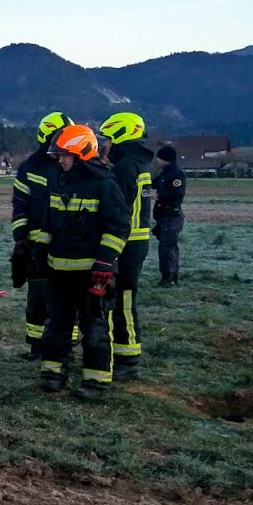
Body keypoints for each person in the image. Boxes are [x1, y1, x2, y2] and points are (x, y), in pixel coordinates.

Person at [34, 125, 130, 401]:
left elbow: (118, 228)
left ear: (82, 154)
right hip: (59, 272)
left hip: (91, 274)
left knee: (95, 327)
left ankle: (96, 381)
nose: (60, 160)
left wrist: (104, 265)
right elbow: (49, 222)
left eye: (65, 155)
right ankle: (52, 373)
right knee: (57, 325)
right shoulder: (60, 182)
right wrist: (38, 252)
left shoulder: (104, 185)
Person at [10, 112, 72, 358]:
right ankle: (36, 346)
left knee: (67, 298)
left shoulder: (72, 164)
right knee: (37, 297)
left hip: (67, 243)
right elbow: (20, 204)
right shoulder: (30, 167)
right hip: (36, 246)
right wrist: (20, 239)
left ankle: (68, 347)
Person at [98, 112, 155, 379]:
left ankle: (128, 359)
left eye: (109, 138)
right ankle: (125, 354)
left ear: (120, 135)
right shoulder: (138, 164)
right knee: (124, 300)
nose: (106, 144)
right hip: (135, 243)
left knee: (123, 301)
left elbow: (117, 209)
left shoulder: (125, 168)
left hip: (125, 245)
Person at [152, 145, 187, 286]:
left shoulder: (176, 174)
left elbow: (178, 192)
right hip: (164, 216)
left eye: (159, 158)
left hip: (171, 216)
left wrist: (159, 197)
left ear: (166, 159)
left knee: (167, 248)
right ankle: (173, 275)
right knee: (169, 246)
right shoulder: (165, 173)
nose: (157, 160)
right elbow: (154, 183)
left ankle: (168, 277)